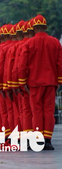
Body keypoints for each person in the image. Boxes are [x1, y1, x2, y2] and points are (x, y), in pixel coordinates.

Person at [18, 15, 62, 150]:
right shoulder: (55, 42)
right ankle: (47, 140)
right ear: (45, 27)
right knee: (48, 111)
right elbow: (59, 64)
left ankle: (37, 140)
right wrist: (59, 80)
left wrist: (22, 82)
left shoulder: (28, 44)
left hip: (34, 82)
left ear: (34, 28)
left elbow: (23, 65)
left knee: (36, 110)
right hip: (50, 81)